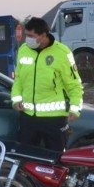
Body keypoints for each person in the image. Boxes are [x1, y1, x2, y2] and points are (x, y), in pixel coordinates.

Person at [10, 17, 83, 151]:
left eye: (31, 36)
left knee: (56, 159)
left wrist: (75, 108)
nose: (27, 39)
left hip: (54, 120)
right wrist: (16, 99)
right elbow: (19, 79)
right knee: (25, 158)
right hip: (28, 117)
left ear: (43, 35)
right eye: (27, 35)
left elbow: (74, 84)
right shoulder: (24, 50)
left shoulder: (62, 52)